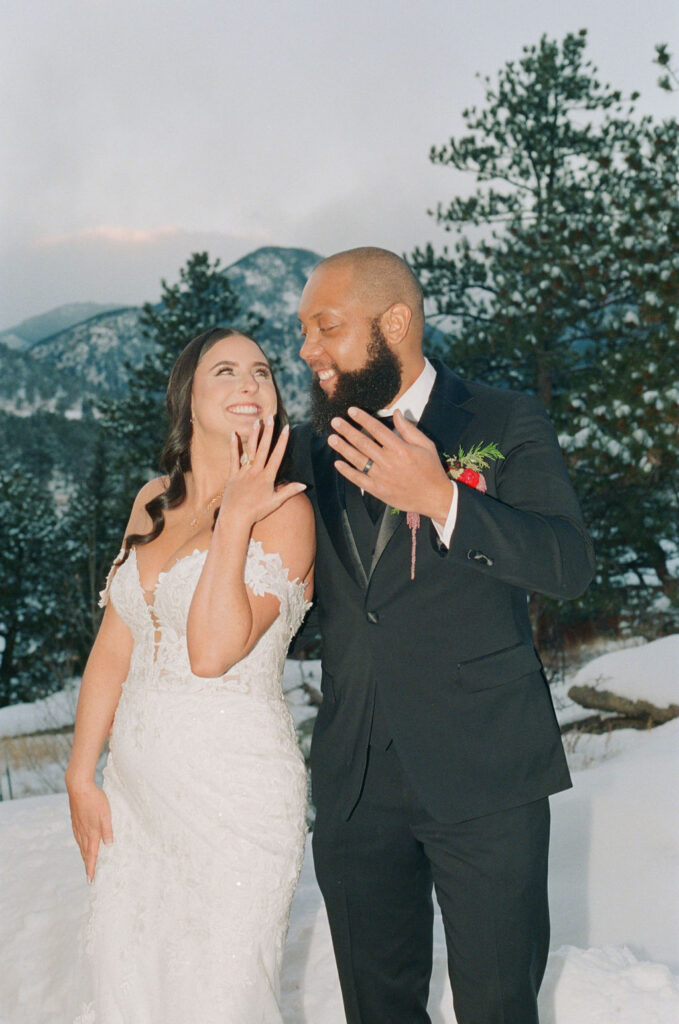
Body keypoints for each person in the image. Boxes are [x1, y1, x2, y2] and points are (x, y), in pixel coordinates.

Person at [291, 247, 595, 1024]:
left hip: (486, 772)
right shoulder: (307, 446)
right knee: (376, 1008)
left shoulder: (500, 419)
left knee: (497, 1005)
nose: (306, 350)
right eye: (302, 330)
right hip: (354, 781)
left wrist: (443, 499)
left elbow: (566, 562)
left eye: (325, 327)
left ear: (394, 322)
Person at [66, 327, 315, 1024]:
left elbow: (211, 652)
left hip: (232, 797)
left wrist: (234, 517)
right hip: (137, 798)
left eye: (262, 373)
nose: (249, 385)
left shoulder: (284, 510)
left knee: (219, 998)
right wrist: (81, 775)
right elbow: (116, 644)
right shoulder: (152, 500)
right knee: (131, 989)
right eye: (226, 372)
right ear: (188, 400)